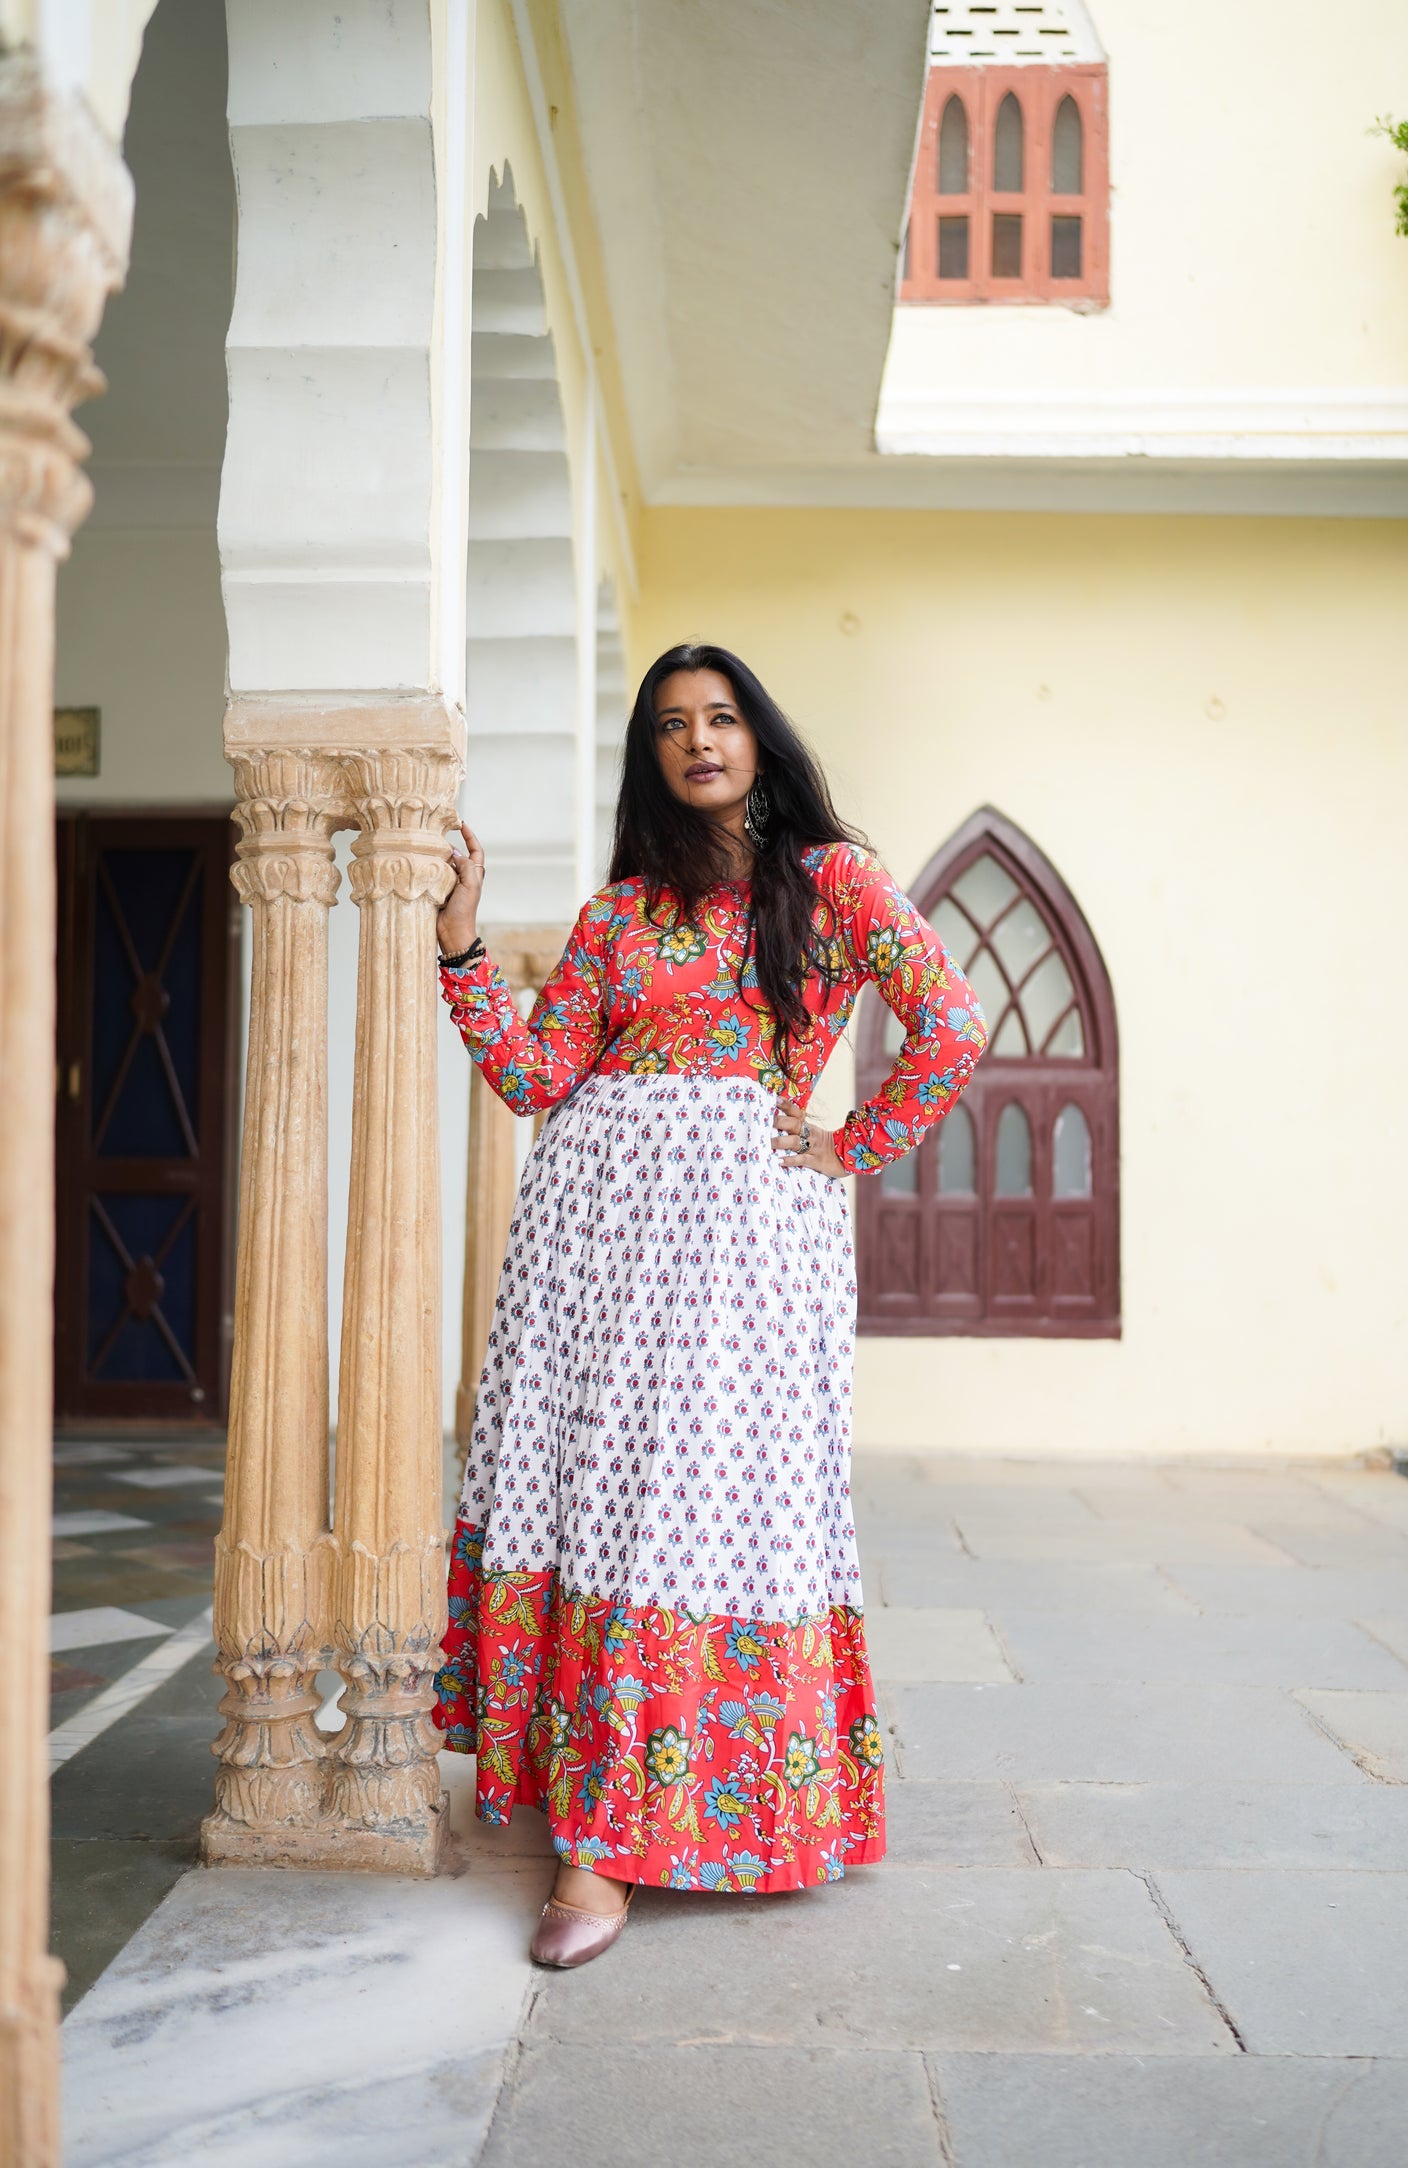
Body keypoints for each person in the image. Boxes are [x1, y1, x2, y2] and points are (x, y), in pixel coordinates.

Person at [431, 642, 987, 1968]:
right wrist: (457, 941)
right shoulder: (619, 915)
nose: (698, 741)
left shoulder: (830, 885)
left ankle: (609, 1855)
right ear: (651, 755)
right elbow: (532, 1074)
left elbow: (949, 1020)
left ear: (759, 736)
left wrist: (850, 1143)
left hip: (741, 1254)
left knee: (699, 1518)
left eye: (722, 717)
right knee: (598, 1507)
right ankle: (598, 1830)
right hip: (589, 1253)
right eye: (673, 724)